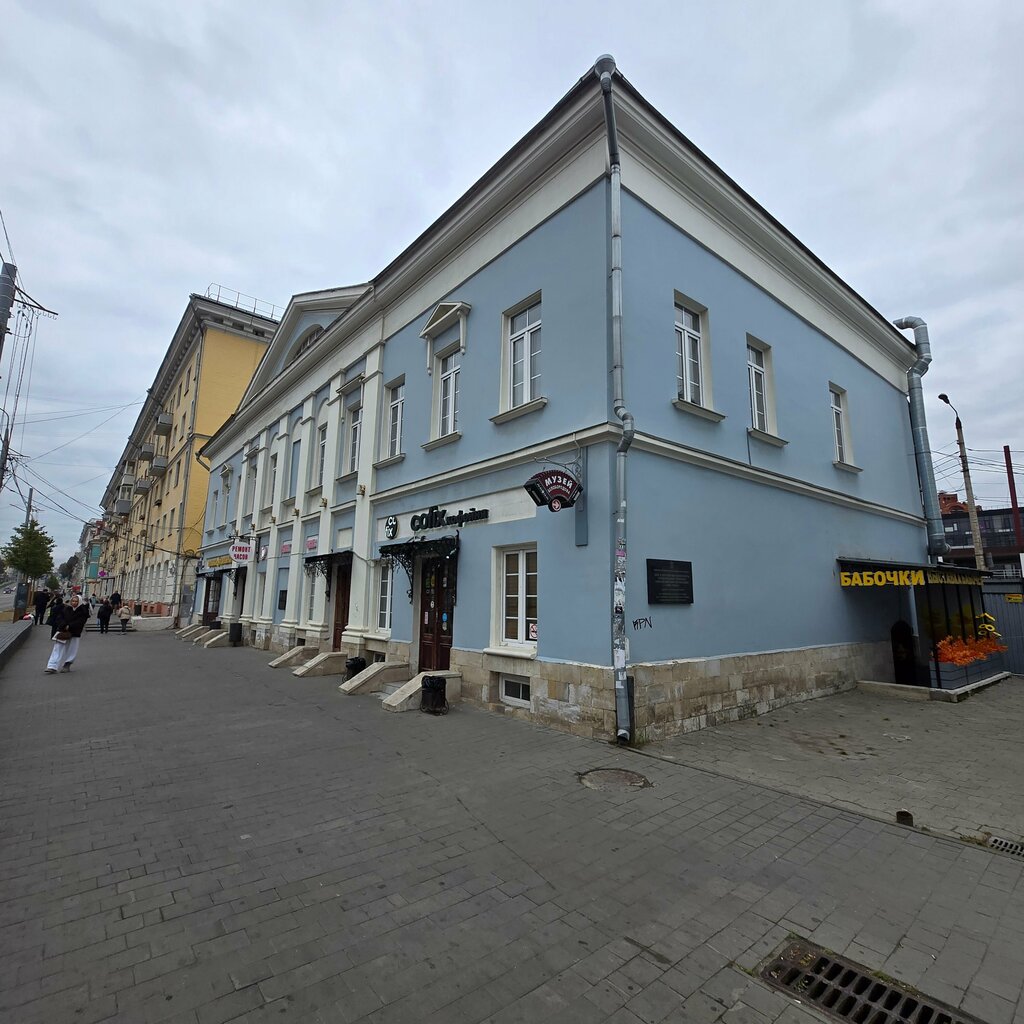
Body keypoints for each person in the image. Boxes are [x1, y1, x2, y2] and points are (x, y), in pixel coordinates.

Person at [44, 593, 90, 674]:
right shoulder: (66, 609)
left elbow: (81, 622)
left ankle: (67, 664)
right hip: (63, 631)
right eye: (73, 601)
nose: (74, 603)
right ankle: (52, 666)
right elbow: (59, 618)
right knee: (57, 648)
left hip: (74, 633)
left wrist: (70, 626)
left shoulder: (83, 611)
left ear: (79, 602)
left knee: (72, 650)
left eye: (76, 601)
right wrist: (64, 625)